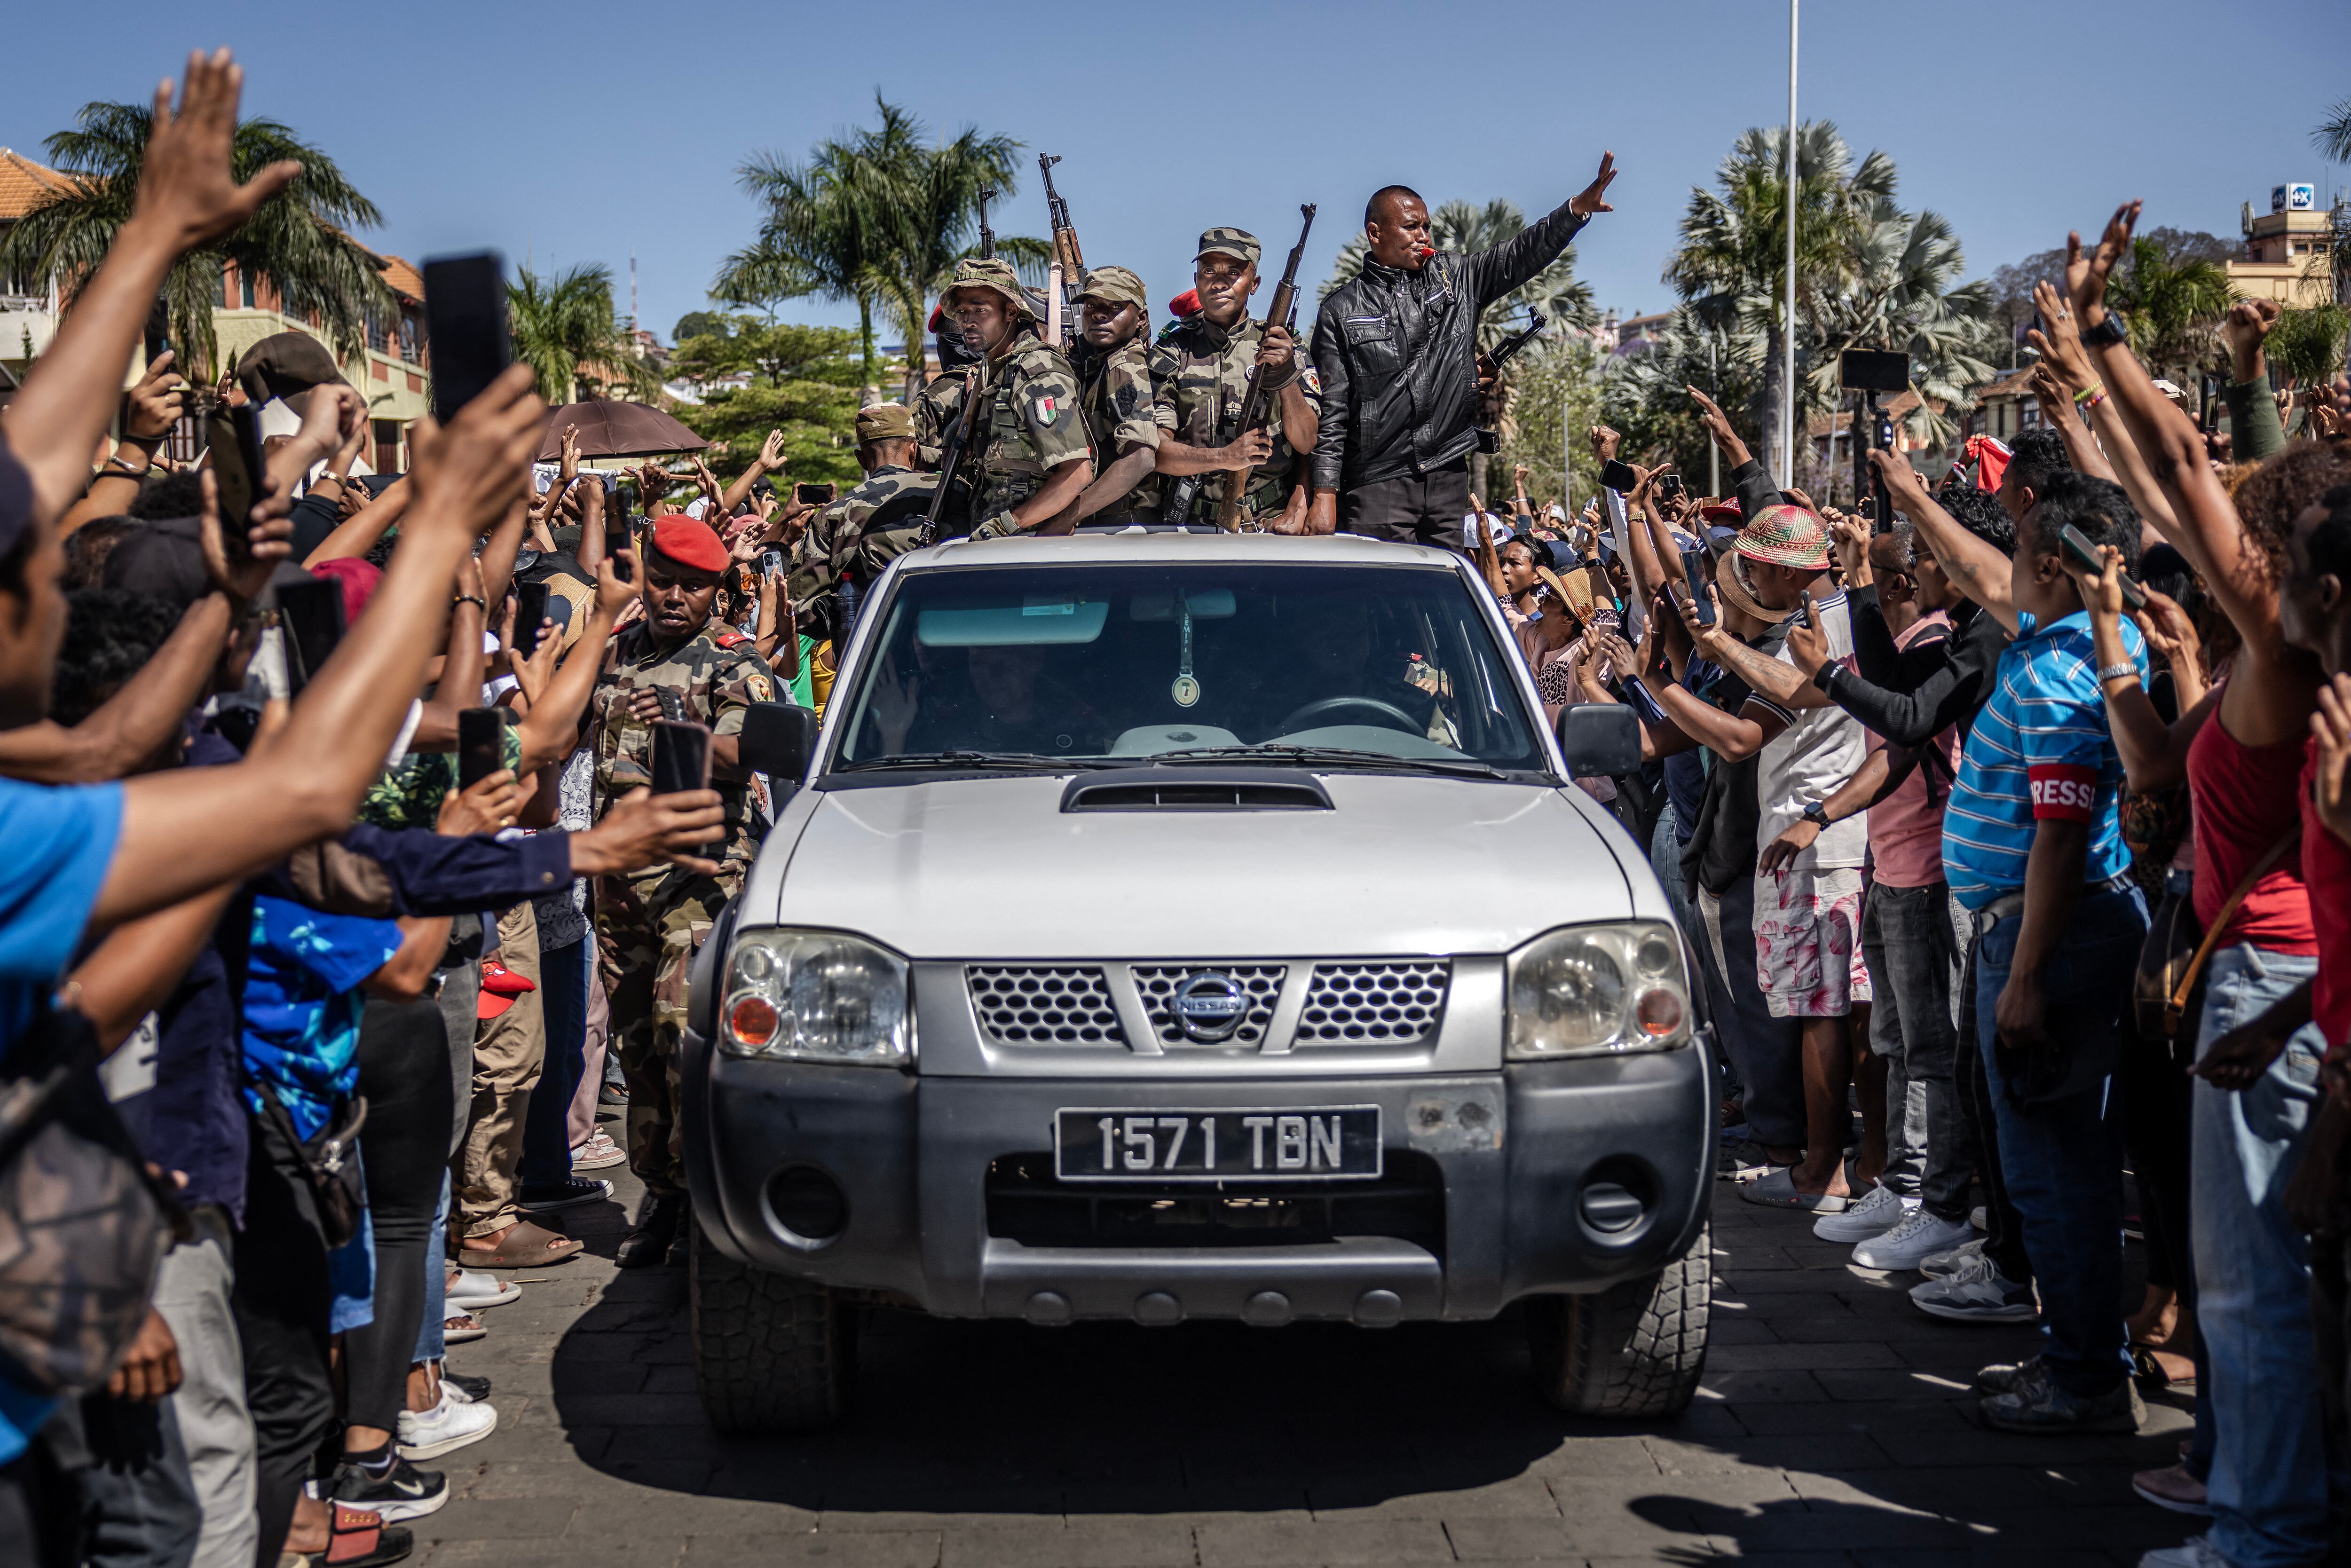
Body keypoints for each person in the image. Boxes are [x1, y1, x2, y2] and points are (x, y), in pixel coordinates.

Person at [1942, 466, 2149, 1435]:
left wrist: (2022, 978)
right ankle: (2075, 1351)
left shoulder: (2068, 672)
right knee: (2051, 1167)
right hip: (2032, 937)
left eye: (2025, 556)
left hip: (2049, 946)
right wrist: (1909, 491)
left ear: (2061, 575)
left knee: (2056, 1171)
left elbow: (2062, 836)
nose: (2007, 573)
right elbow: (1978, 570)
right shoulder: (2060, 642)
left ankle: (2082, 1377)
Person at [590, 514, 776, 1267]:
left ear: (716, 590)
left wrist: (679, 728)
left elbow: (752, 750)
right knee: (636, 1044)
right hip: (619, 886)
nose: (674, 597)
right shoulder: (611, 655)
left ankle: (705, 1203)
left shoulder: (732, 659)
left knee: (680, 1042)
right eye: (663, 580)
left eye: (692, 586)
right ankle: (661, 1194)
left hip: (699, 878)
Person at [1307, 155, 1616, 546]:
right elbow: (1332, 414)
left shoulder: (1457, 277)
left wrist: (1575, 212)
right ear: (1375, 233)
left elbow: (1519, 255)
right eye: (1411, 227)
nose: (1424, 236)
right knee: (1382, 603)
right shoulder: (1340, 309)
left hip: (1447, 479)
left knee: (1441, 600)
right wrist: (1324, 494)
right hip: (1376, 486)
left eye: (1427, 227)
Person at [1150, 231, 1318, 531]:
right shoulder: (1171, 350)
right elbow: (1157, 453)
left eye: (1234, 273)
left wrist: (1286, 375)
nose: (1219, 282)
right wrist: (1225, 458)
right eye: (1209, 272)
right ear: (1197, 280)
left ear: (1254, 285)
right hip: (1189, 526)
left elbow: (1307, 441)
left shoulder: (1286, 345)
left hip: (1271, 521)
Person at [925, 258, 1092, 542]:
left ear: (1011, 312)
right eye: (963, 311)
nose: (968, 321)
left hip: (1030, 544)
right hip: (999, 538)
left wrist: (1010, 524)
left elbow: (1076, 473)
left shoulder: (1037, 372)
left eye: (981, 310)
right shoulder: (992, 370)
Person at [1055, 265, 1164, 530]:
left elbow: (1140, 459)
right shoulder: (1091, 360)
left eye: (1115, 307)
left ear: (1141, 318)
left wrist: (1069, 515)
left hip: (1123, 523)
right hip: (1107, 519)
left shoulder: (1123, 364)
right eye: (1091, 305)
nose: (1099, 314)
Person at [818, 402, 940, 635]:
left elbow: (803, 608)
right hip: (955, 636)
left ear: (860, 459)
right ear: (914, 450)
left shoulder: (834, 513)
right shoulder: (954, 492)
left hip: (872, 650)